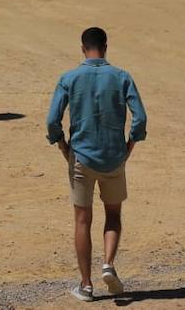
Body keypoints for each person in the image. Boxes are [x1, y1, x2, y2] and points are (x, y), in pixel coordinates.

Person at [46, 27, 147, 302]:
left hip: (81, 156)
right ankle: (108, 264)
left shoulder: (69, 77)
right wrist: (130, 144)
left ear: (83, 48)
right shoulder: (122, 77)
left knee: (82, 220)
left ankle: (86, 285)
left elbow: (52, 120)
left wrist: (62, 145)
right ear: (106, 46)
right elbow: (140, 118)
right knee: (113, 215)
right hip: (114, 157)